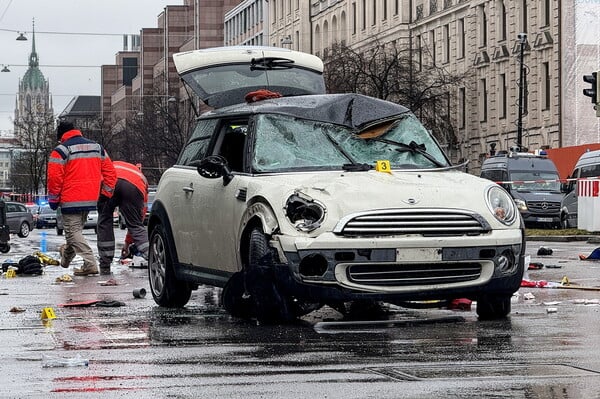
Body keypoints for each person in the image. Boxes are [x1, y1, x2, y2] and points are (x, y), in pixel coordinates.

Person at [48, 120, 116, 276]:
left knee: (73, 234)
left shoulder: (61, 150)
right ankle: (65, 259)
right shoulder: (97, 147)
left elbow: (54, 178)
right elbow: (111, 173)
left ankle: (90, 263)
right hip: (90, 199)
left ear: (61, 136)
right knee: (74, 233)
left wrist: (53, 199)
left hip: (70, 199)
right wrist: (105, 194)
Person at [96, 161, 149, 275]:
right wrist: (127, 243)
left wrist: (127, 243)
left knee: (104, 221)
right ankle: (153, 257)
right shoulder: (141, 177)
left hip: (107, 182)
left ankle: (105, 265)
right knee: (136, 225)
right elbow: (140, 217)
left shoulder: (111, 165)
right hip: (133, 186)